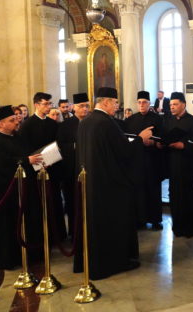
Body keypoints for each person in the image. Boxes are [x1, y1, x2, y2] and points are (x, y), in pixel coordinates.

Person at [75, 87, 153, 279]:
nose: (117, 106)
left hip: (91, 183)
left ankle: (90, 262)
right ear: (106, 102)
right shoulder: (105, 122)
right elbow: (123, 152)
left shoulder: (86, 122)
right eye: (115, 102)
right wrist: (140, 139)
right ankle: (115, 262)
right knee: (113, 223)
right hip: (109, 185)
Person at [0, 105, 43, 270]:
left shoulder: (18, 137)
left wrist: (38, 161)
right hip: (4, 195)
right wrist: (26, 161)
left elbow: (28, 155)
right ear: (1, 123)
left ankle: (29, 255)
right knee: (7, 228)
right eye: (12, 120)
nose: (17, 122)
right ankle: (8, 258)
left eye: (16, 119)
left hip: (24, 190)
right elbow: (2, 165)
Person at [18, 92, 65, 241]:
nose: (49, 107)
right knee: (39, 203)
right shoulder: (27, 125)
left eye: (50, 103)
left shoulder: (53, 123)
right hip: (36, 171)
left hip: (53, 168)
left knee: (55, 201)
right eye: (45, 104)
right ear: (36, 105)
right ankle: (42, 237)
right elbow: (24, 149)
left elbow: (58, 144)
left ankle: (57, 235)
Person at [161, 92, 193, 237]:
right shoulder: (168, 121)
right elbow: (164, 138)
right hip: (173, 164)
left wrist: (184, 145)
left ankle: (191, 227)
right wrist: (161, 143)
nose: (172, 107)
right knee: (175, 195)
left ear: (183, 104)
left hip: (188, 165)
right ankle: (178, 226)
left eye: (175, 104)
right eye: (170, 105)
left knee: (188, 196)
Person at [124, 90, 164, 230]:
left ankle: (155, 220)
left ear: (149, 103)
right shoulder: (130, 120)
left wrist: (153, 142)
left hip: (152, 160)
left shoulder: (158, 119)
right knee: (138, 190)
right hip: (136, 161)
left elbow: (163, 138)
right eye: (139, 102)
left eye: (144, 102)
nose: (141, 105)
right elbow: (126, 139)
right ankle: (140, 219)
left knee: (153, 190)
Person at [56, 92, 90, 238]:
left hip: (90, 170)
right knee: (72, 202)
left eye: (87, 106)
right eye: (81, 106)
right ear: (73, 107)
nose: (85, 109)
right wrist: (77, 146)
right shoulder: (65, 125)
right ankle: (75, 233)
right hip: (70, 171)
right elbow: (60, 145)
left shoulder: (93, 123)